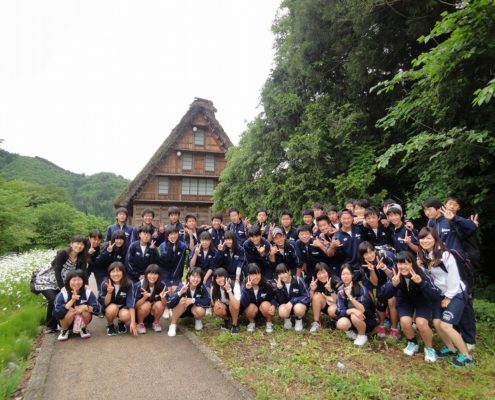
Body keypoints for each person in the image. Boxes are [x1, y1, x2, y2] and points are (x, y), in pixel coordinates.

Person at [418, 227, 475, 367]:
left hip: (456, 293)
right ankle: (451, 349)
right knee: (437, 323)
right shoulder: (425, 255)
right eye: (422, 238)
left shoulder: (445, 255)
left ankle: (467, 357)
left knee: (446, 325)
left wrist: (448, 298)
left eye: (428, 238)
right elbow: (431, 277)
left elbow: (454, 277)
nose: (425, 241)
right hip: (442, 294)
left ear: (435, 239)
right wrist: (421, 267)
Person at [379, 252, 440, 362]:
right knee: (404, 322)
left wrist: (421, 283)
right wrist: (393, 285)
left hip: (422, 301)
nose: (402, 267)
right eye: (399, 263)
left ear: (412, 263)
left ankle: (429, 348)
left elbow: (435, 295)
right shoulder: (395, 275)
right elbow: (382, 296)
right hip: (405, 301)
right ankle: (412, 342)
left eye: (406, 263)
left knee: (421, 323)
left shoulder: (422, 273)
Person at [34, 235, 89, 333]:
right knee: (54, 300)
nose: (79, 246)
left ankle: (62, 323)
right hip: (48, 281)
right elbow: (57, 271)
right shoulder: (63, 254)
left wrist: (86, 284)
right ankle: (50, 326)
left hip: (64, 282)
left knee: (64, 301)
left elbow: (83, 273)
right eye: (77, 243)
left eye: (82, 244)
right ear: (71, 243)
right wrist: (62, 287)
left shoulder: (81, 258)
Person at [358, 241, 399, 338]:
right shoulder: (363, 264)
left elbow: (394, 275)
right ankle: (382, 324)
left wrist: (384, 267)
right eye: (366, 254)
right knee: (380, 301)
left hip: (393, 280)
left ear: (374, 250)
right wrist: (371, 270)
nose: (369, 255)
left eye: (371, 252)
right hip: (380, 282)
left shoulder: (387, 255)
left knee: (391, 301)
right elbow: (375, 283)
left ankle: (394, 327)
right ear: (362, 256)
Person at [335, 264, 377, 347]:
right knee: (341, 323)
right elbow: (339, 311)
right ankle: (353, 332)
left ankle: (362, 335)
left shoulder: (361, 288)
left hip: (366, 319)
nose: (345, 276)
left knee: (354, 315)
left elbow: (363, 309)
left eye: (348, 274)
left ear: (352, 275)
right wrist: (352, 310)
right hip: (352, 317)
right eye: (343, 274)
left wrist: (350, 296)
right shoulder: (340, 290)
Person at [54, 269, 99, 341]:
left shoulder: (87, 292)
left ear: (83, 281)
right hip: (66, 321)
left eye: (79, 280)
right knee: (69, 310)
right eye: (74, 280)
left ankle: (83, 329)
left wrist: (86, 307)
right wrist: (71, 301)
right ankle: (65, 330)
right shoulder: (63, 293)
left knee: (85, 309)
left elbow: (98, 309)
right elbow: (57, 313)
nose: (77, 282)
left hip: (82, 321)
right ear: (68, 281)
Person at [167, 268, 211, 336]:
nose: (196, 279)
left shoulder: (202, 287)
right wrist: (179, 293)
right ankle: (173, 324)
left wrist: (193, 300)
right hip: (182, 311)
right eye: (193, 276)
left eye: (198, 277)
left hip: (193, 310)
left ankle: (198, 320)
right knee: (182, 300)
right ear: (188, 276)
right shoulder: (182, 285)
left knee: (200, 310)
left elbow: (208, 301)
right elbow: (169, 304)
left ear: (201, 278)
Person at [99, 261, 138, 336]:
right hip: (110, 308)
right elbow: (105, 303)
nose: (116, 274)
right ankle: (110, 324)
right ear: (109, 273)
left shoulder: (129, 284)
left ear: (123, 272)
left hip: (123, 307)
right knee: (112, 308)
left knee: (126, 314)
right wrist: (109, 292)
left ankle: (121, 323)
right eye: (113, 271)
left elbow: (131, 303)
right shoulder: (105, 284)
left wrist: (133, 322)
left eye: (118, 271)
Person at [240, 263, 278, 333]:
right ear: (248, 275)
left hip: (263, 309)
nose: (256, 277)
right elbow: (243, 304)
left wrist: (273, 305)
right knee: (250, 307)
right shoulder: (244, 285)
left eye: (258, 274)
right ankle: (252, 322)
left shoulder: (266, 284)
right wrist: (247, 289)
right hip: (252, 310)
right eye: (253, 274)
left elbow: (273, 296)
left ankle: (269, 322)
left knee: (265, 305)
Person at [274, 263, 310, 332]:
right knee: (282, 311)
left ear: (289, 272)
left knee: (298, 308)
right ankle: (288, 320)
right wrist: (279, 289)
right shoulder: (279, 284)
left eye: (284, 273)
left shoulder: (298, 280)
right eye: (279, 274)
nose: (282, 276)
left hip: (299, 306)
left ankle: (299, 320)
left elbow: (307, 296)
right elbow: (281, 302)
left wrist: (292, 301)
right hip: (288, 307)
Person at [133, 264, 167, 334]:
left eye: (155, 274)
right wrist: (144, 298)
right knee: (147, 304)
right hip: (139, 314)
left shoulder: (162, 285)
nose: (153, 276)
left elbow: (164, 305)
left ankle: (155, 322)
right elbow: (134, 306)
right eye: (150, 273)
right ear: (146, 274)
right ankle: (140, 324)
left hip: (152, 314)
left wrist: (163, 298)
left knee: (160, 304)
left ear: (159, 275)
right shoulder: (138, 285)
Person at [308, 262, 339, 333]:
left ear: (328, 272)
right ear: (316, 275)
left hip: (337, 307)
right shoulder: (315, 283)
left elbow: (340, 301)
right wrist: (312, 290)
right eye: (319, 274)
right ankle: (316, 322)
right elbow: (309, 300)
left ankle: (338, 320)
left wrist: (330, 291)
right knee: (316, 295)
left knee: (332, 310)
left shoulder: (336, 281)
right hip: (326, 305)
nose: (322, 276)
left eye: (324, 273)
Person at [211, 268, 242, 334]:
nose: (219, 280)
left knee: (232, 302)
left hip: (238, 308)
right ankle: (227, 320)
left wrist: (229, 290)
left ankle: (234, 324)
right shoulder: (215, 287)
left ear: (226, 276)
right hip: (226, 308)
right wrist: (217, 303)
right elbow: (213, 302)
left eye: (221, 277)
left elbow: (236, 305)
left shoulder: (235, 285)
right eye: (217, 278)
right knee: (217, 306)